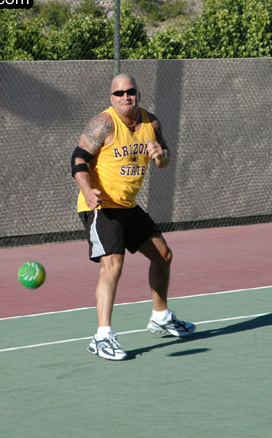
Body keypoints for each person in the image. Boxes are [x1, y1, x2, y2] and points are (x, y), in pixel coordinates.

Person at [71, 74, 195, 361]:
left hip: (127, 206)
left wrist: (160, 154)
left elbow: (164, 160)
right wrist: (88, 190)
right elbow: (77, 158)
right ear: (111, 97)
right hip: (100, 205)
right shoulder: (103, 123)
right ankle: (102, 337)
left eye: (130, 92)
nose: (126, 97)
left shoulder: (151, 123)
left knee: (163, 256)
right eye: (119, 93)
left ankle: (161, 316)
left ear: (138, 94)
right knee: (113, 264)